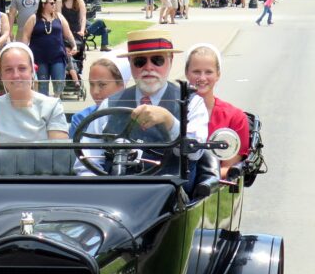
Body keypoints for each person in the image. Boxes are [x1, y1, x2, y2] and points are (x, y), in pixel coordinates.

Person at [77, 30, 209, 179]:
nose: (148, 68)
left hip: (169, 194)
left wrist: (169, 121)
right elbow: (87, 158)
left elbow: (195, 152)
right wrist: (97, 189)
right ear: (130, 64)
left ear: (170, 60)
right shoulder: (110, 103)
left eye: (157, 60)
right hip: (116, 193)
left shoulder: (191, 102)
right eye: (140, 61)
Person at [0, 43, 69, 143]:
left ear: (32, 71)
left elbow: (60, 153)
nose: (16, 75)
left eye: (22, 68)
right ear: (1, 75)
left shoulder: (51, 107)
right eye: (8, 70)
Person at [184, 43, 250, 178]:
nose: (202, 78)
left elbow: (229, 168)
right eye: (196, 71)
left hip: (213, 189)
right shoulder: (173, 112)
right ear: (186, 73)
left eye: (208, 72)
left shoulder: (235, 117)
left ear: (218, 75)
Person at [21, 0, 75, 96]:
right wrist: (25, 53)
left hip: (57, 56)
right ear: (43, 5)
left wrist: (74, 45)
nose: (54, 5)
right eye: (51, 3)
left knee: (59, 83)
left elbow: (68, 33)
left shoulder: (59, 17)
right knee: (42, 86)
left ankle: (56, 102)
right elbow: (26, 36)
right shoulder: (34, 18)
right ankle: (43, 107)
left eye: (54, 3)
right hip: (39, 57)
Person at [68, 58, 127, 139]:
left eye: (102, 84)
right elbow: (74, 150)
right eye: (91, 84)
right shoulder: (81, 118)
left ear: (121, 85)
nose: (95, 91)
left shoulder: (137, 115)